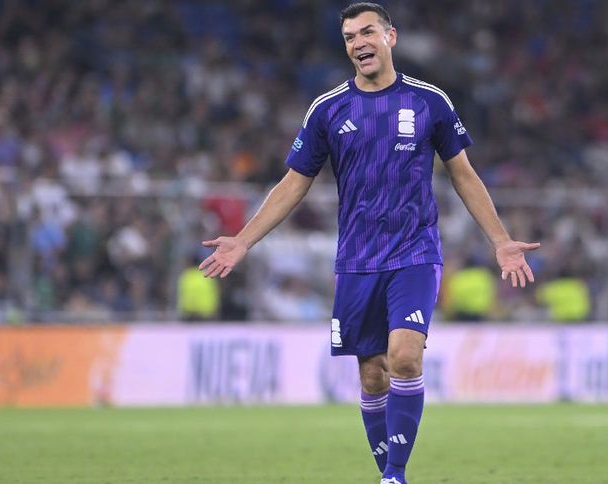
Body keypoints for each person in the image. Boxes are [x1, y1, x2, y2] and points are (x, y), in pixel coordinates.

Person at [199, 3, 540, 483]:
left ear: (390, 37)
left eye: (366, 32)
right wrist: (243, 241)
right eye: (349, 37)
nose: (358, 43)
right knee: (373, 374)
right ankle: (388, 475)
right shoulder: (328, 109)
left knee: (404, 357)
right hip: (357, 260)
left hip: (415, 252)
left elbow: (463, 174)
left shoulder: (429, 102)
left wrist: (500, 240)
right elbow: (293, 183)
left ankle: (394, 475)